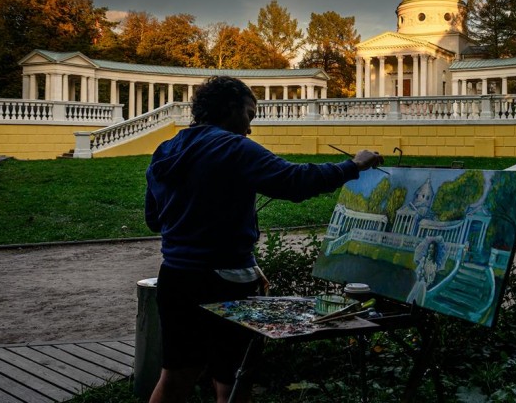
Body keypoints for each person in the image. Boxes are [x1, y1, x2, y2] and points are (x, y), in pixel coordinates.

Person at [144, 76, 383, 403]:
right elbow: (294, 181)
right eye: (249, 115)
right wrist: (353, 166)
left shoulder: (166, 150)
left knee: (175, 376)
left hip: (175, 279)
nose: (250, 128)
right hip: (225, 282)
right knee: (233, 379)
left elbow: (154, 220)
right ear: (231, 109)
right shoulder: (233, 147)